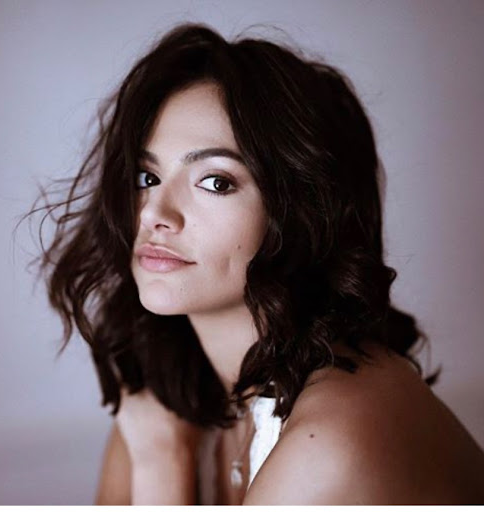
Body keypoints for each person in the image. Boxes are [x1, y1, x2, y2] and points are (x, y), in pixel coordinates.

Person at [28, 22, 484, 505]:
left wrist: (161, 467)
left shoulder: (336, 433)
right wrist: (161, 455)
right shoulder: (165, 404)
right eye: (147, 176)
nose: (155, 214)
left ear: (301, 212)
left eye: (216, 182)